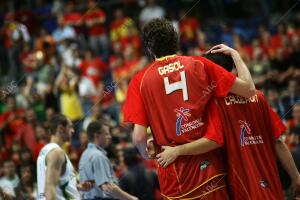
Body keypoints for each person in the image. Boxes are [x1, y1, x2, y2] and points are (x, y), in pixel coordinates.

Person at [123, 18, 255, 199]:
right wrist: (236, 55)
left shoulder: (140, 80)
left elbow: (138, 137)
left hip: (175, 180)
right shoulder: (200, 64)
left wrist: (147, 154)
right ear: (176, 41)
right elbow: (248, 90)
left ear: (149, 48)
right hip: (210, 171)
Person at [155, 53, 300, 199]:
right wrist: (296, 177)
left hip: (241, 191)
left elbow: (210, 140)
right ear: (234, 70)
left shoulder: (215, 104)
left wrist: (176, 150)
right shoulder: (259, 97)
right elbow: (278, 142)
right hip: (272, 189)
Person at [36, 114, 93, 200]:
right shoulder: (56, 153)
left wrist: (77, 187)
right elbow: (49, 188)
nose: (73, 130)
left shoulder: (44, 151)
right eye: (70, 127)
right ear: (60, 128)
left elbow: (58, 186)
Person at [79, 121, 138, 200]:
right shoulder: (98, 156)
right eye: (106, 134)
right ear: (97, 136)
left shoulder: (85, 154)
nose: (109, 137)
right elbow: (108, 188)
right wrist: (130, 198)